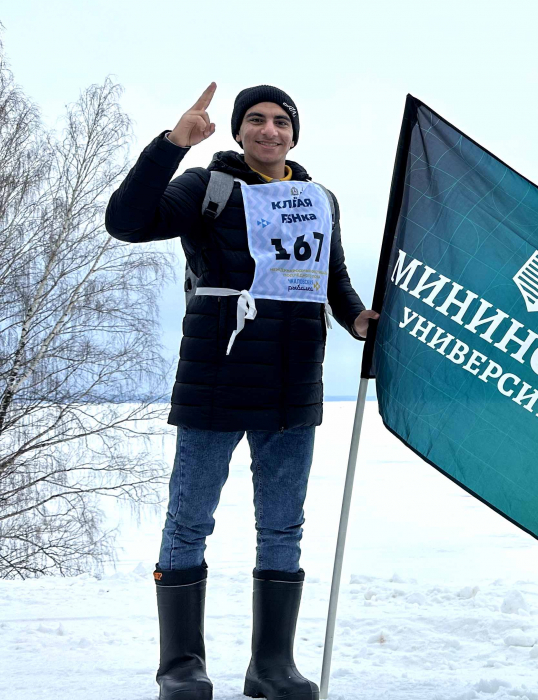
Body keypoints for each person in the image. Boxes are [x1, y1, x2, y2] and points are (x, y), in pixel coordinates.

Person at [105, 83, 377, 700]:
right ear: (237, 130)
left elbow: (332, 280)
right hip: (215, 377)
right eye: (255, 120)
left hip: (293, 384)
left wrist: (359, 319)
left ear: (294, 133)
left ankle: (271, 668)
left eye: (280, 121)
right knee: (189, 521)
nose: (268, 131)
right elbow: (126, 222)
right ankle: (180, 666)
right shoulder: (207, 187)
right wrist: (174, 144)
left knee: (283, 527)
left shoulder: (318, 199)